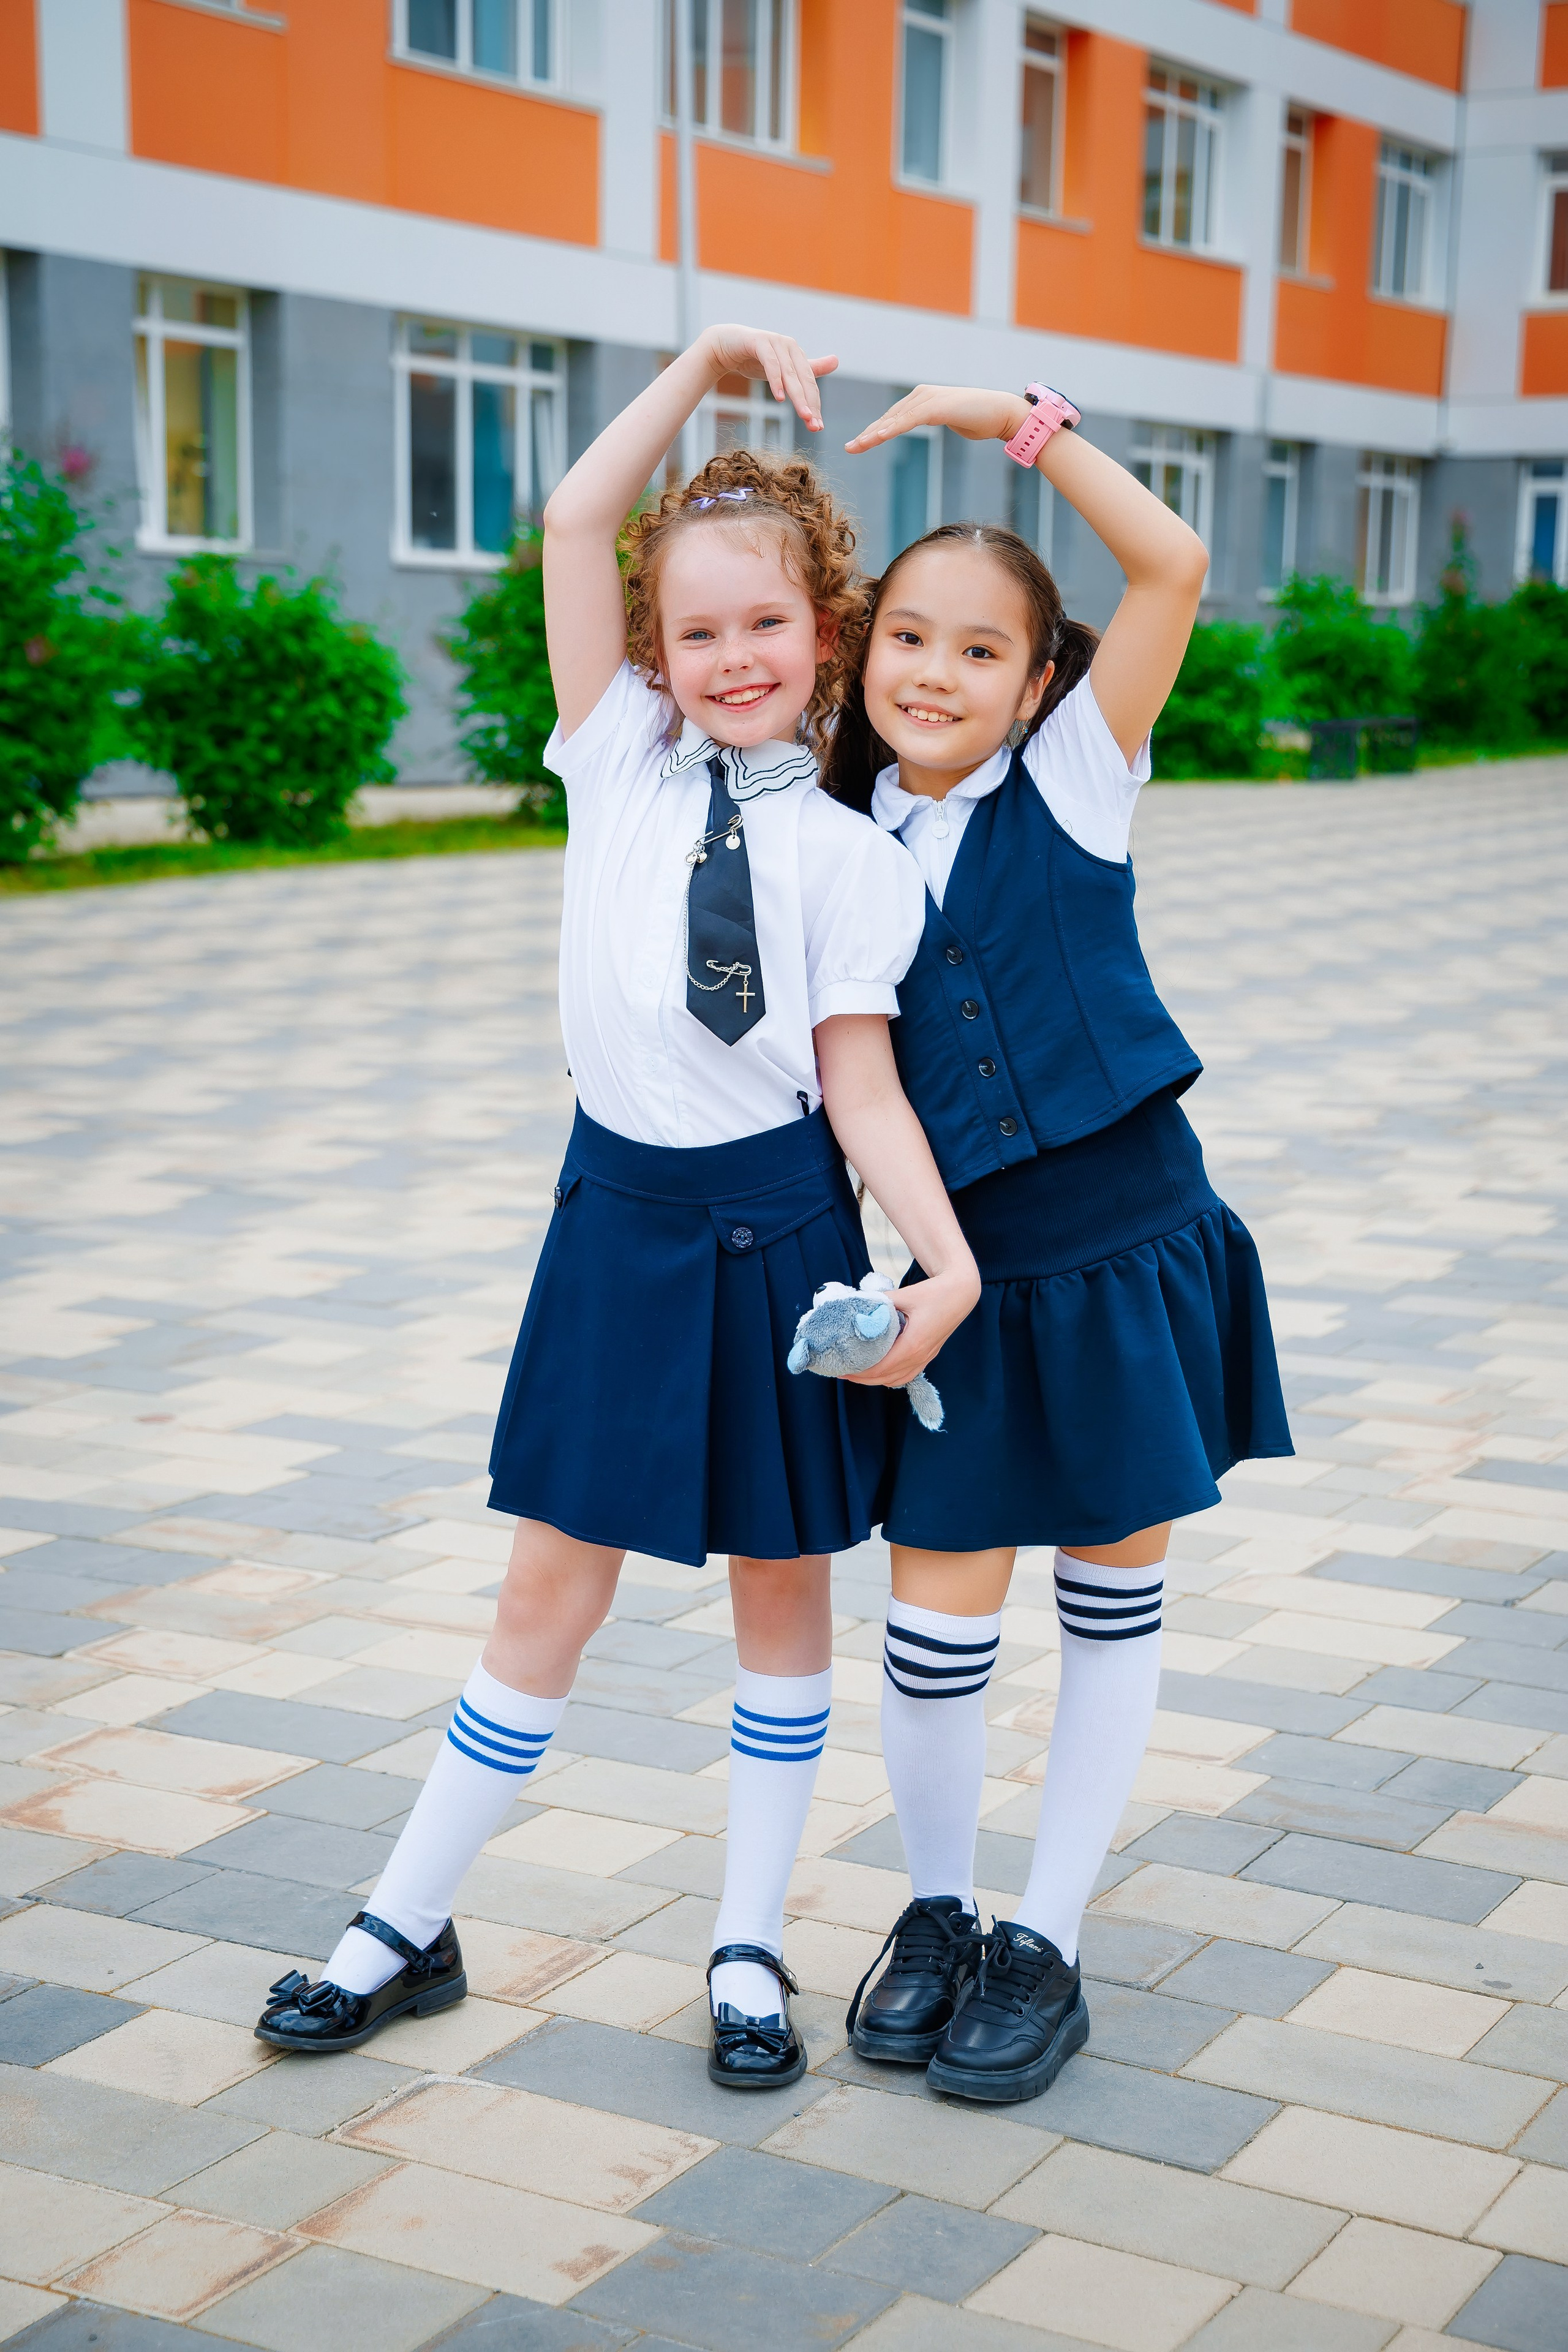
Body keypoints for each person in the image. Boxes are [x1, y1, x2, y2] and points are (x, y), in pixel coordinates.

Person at [254, 328, 980, 2089]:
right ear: (652, 649)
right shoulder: (615, 756)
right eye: (696, 630)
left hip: (780, 1232)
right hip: (615, 1221)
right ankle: (405, 1922)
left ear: (826, 634)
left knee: (782, 1592)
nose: (733, 658)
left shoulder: (857, 861)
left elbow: (862, 1087)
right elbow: (580, 517)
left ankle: (747, 1944)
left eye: (767, 623)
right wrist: (703, 360)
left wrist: (944, 1259)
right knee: (546, 1587)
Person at [828, 383, 1293, 2105]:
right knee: (934, 1622)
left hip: (1122, 1249)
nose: (935, 673)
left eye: (980, 651)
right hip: (958, 1283)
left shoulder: (1080, 779)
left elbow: (1170, 564)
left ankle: (1048, 1939)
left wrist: (1019, 427)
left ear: (1038, 686)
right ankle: (939, 1913)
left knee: (1109, 1596)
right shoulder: (831, 841)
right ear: (861, 657)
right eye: (907, 638)